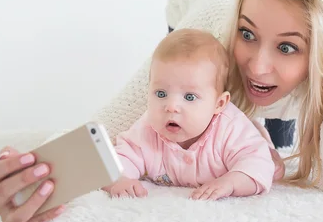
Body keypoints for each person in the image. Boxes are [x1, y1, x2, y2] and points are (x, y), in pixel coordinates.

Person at [0, 0, 323, 222]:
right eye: (247, 35)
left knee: (274, 138)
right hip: (196, 1)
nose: (259, 67)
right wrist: (37, 177)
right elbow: (108, 128)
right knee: (184, 106)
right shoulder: (214, 28)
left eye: (288, 47)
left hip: (318, 46)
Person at [102, 28, 276, 201]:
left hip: (252, 136)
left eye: (189, 97)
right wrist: (119, 179)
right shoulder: (147, 128)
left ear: (219, 104)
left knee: (271, 160)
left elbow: (258, 164)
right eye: (161, 94)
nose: (171, 107)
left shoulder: (231, 128)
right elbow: (122, 157)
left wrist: (230, 182)